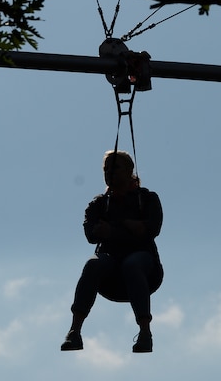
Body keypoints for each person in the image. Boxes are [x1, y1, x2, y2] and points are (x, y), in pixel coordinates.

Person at [61, 150, 164, 353]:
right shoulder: (99, 204)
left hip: (145, 269)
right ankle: (75, 331)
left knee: (132, 264)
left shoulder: (147, 199)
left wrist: (112, 230)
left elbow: (151, 229)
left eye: (114, 168)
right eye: (106, 169)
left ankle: (145, 332)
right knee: (93, 264)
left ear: (129, 171)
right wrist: (131, 227)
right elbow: (92, 234)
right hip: (111, 276)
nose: (109, 172)